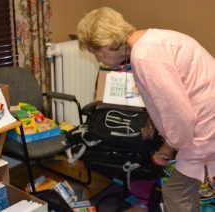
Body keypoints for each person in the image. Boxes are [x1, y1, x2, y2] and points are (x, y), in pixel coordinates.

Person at [77, 7, 215, 212]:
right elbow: (165, 96)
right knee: (188, 188)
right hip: (205, 116)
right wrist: (152, 122)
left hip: (204, 125)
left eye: (94, 51)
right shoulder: (151, 40)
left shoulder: (144, 57)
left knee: (176, 193)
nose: (97, 59)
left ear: (105, 43)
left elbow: (180, 115)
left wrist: (167, 149)